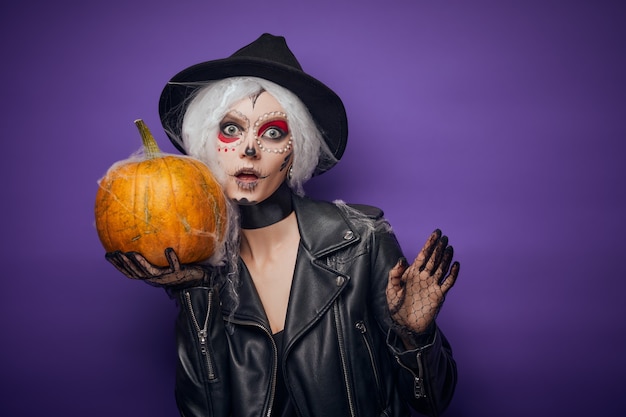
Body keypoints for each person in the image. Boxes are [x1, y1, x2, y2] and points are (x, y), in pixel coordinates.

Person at [105, 33, 460, 417]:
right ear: (208, 145)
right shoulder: (201, 268)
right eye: (231, 130)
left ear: (296, 150)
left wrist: (415, 337)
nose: (250, 148)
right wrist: (196, 297)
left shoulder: (362, 241)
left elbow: (431, 401)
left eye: (272, 132)